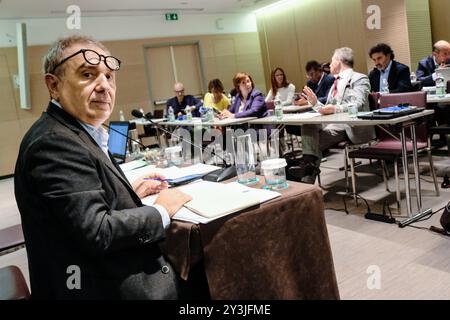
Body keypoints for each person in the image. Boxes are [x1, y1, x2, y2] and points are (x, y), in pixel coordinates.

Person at [14, 35, 193, 299]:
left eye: (109, 76)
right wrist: (160, 210)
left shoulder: (74, 130)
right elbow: (98, 232)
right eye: (88, 74)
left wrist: (124, 192)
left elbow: (74, 210)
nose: (104, 86)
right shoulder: (54, 142)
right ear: (53, 85)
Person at [288, 47, 375, 184]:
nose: (329, 64)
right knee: (308, 127)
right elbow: (325, 109)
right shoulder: (335, 81)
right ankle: (308, 167)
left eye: (332, 60)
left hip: (349, 126)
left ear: (339, 62)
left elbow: (357, 104)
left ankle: (305, 182)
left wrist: (334, 109)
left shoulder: (359, 78)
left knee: (311, 145)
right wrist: (315, 103)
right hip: (332, 124)